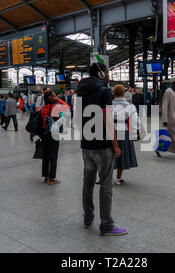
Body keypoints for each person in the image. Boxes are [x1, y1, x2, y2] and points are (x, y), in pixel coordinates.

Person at [75, 62, 127, 236]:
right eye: (106, 72)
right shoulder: (104, 91)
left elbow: (76, 118)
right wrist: (115, 145)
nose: (108, 75)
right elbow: (107, 119)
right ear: (99, 73)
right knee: (105, 184)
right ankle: (106, 225)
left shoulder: (80, 91)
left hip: (86, 144)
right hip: (103, 145)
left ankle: (88, 217)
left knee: (87, 182)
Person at [40, 90, 69, 185]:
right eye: (54, 95)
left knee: (46, 156)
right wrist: (58, 100)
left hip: (44, 134)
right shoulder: (56, 107)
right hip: (54, 134)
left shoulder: (43, 108)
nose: (56, 96)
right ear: (50, 98)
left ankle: (46, 177)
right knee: (53, 156)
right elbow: (67, 107)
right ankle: (52, 178)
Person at [112, 84, 138, 185]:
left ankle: (105, 177)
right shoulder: (128, 105)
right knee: (122, 154)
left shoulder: (110, 103)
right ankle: (118, 178)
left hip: (111, 130)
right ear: (123, 93)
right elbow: (127, 116)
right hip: (123, 130)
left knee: (109, 153)